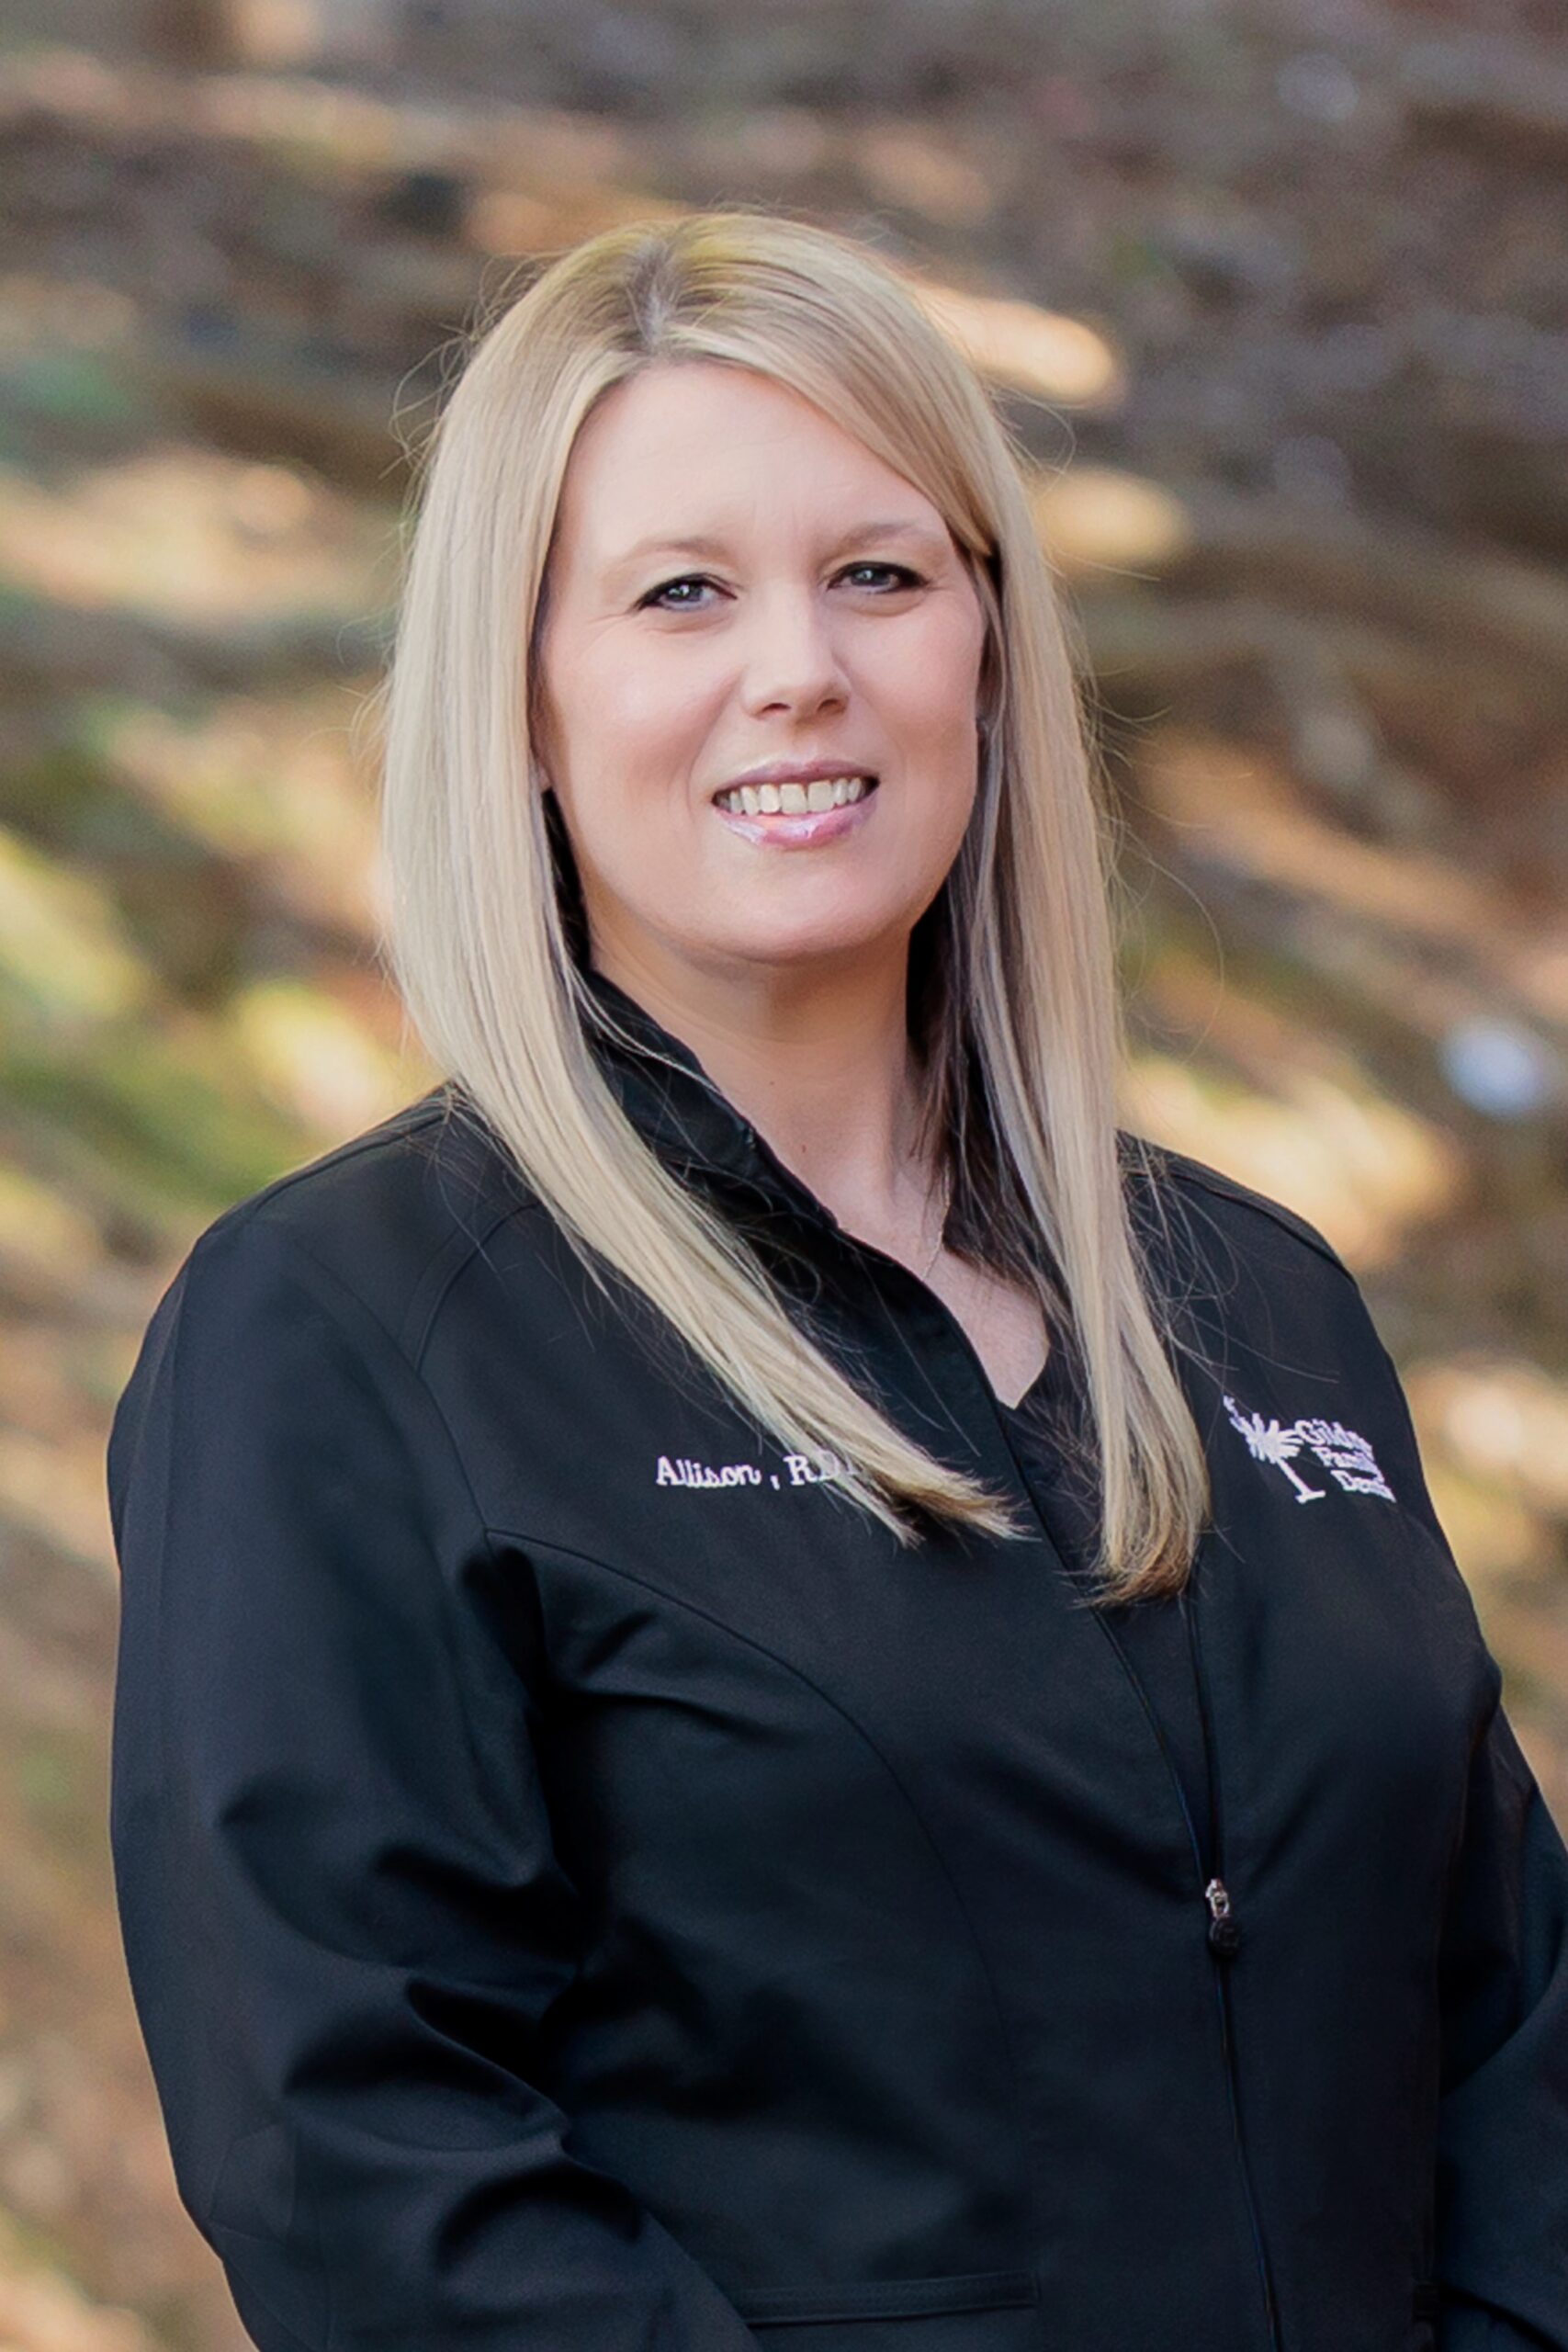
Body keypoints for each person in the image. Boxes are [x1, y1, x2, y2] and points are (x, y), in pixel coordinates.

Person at [106, 209, 1568, 2352]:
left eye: (877, 574)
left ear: (987, 646)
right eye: (679, 591)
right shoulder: (345, 1329)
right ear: (523, 699)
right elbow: (369, 2161)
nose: (798, 665)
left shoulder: (1256, 1302)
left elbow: (1511, 2026)